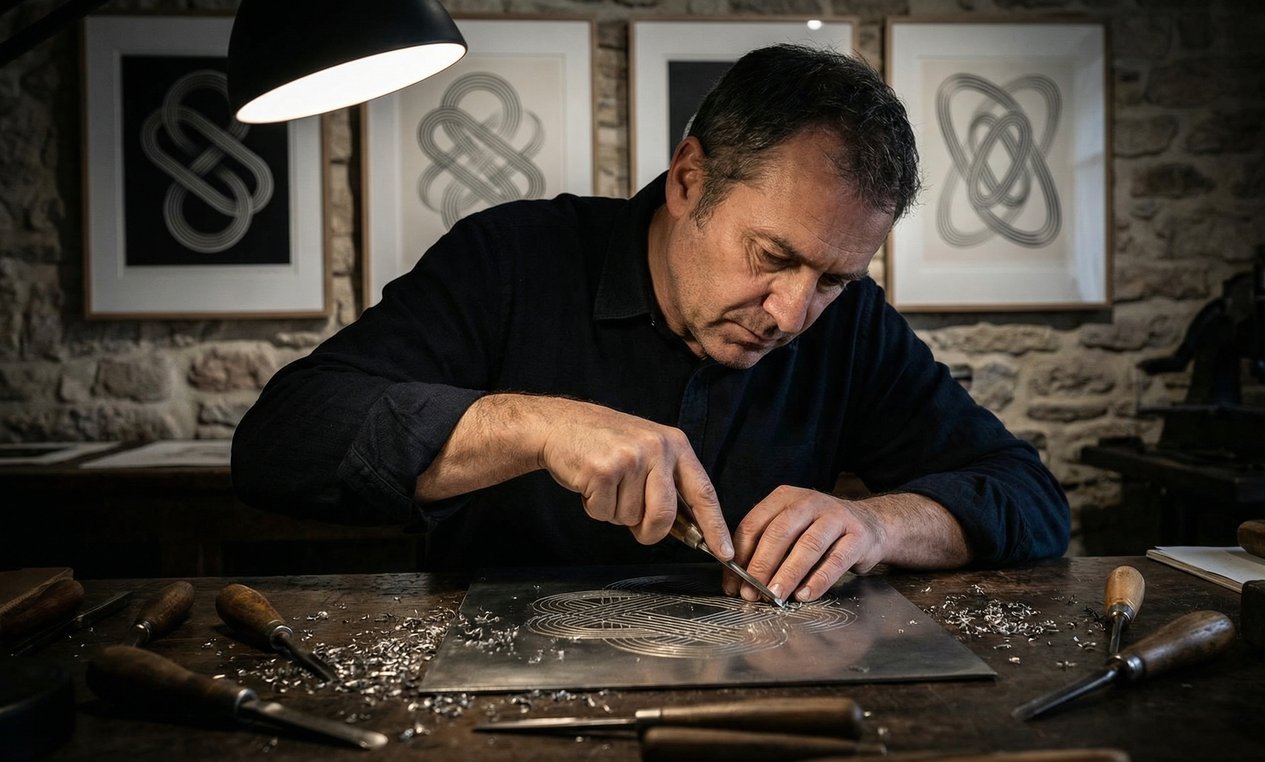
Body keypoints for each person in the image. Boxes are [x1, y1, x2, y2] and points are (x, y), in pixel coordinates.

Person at [232, 44, 1070, 604]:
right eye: (772, 256)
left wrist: (879, 526)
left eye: (833, 279)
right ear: (687, 179)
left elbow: (1030, 498)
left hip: (766, 704)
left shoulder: (849, 326)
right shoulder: (512, 259)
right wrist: (535, 425)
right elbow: (280, 441)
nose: (791, 314)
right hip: (498, 703)